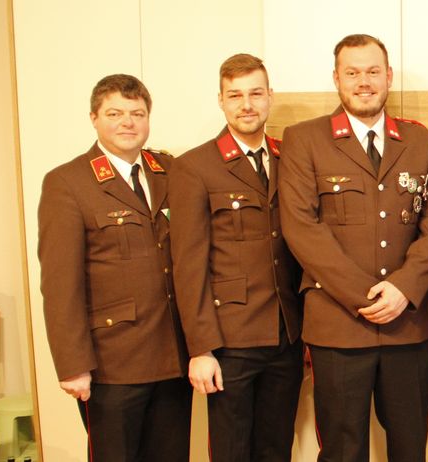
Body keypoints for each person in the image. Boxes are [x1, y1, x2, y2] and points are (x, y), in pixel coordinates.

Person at [278, 34, 428, 462]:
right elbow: (301, 228)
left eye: (373, 71)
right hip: (338, 325)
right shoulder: (304, 139)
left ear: (388, 76)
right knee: (342, 450)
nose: (363, 82)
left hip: (407, 323)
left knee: (411, 447)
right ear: (336, 79)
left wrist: (403, 288)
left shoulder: (419, 141)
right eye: (352, 73)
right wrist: (366, 297)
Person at [37, 74, 190, 461]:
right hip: (111, 364)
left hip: (173, 356)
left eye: (137, 113)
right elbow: (60, 284)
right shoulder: (68, 183)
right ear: (94, 118)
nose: (127, 122)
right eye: (115, 113)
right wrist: (73, 365)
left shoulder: (169, 171)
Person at [169, 53, 303, 461]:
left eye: (256, 93)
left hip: (288, 334)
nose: (247, 104)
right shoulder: (194, 166)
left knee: (276, 447)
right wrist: (201, 348)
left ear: (270, 97)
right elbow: (188, 265)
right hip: (230, 339)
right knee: (231, 451)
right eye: (236, 95)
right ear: (221, 101)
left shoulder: (289, 158)